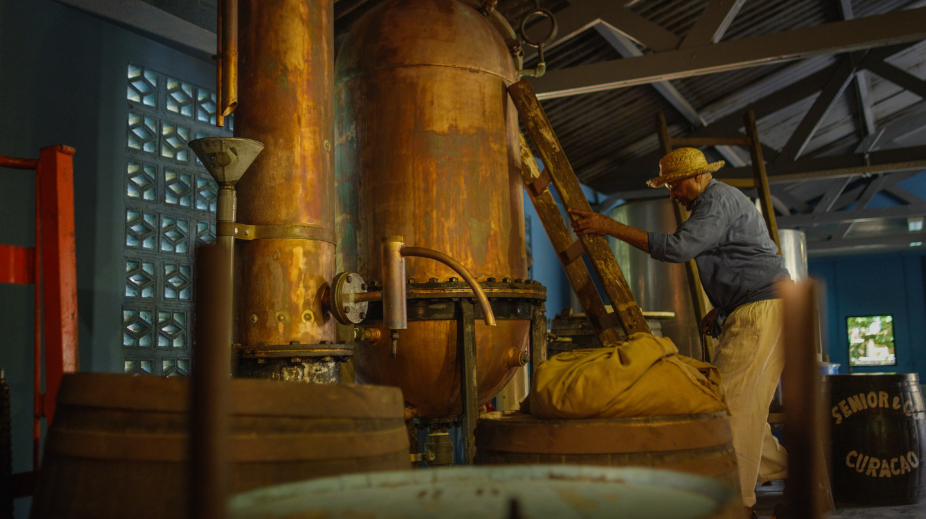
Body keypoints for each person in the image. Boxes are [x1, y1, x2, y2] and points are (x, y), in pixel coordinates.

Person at [569, 147, 790, 518]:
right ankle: (789, 472)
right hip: (759, 306)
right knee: (741, 404)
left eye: (674, 185)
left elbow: (679, 248)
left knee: (729, 409)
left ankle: (738, 505)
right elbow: (742, 257)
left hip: (762, 310)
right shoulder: (721, 200)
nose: (672, 194)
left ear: (698, 177)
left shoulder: (715, 200)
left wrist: (609, 227)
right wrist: (720, 308)